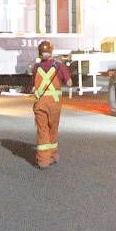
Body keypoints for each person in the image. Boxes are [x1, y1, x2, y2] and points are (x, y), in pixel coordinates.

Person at [32, 40, 72, 168]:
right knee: (53, 129)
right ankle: (53, 155)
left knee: (42, 130)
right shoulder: (59, 66)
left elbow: (34, 85)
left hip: (40, 103)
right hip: (54, 104)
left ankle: (43, 160)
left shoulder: (36, 68)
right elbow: (69, 83)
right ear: (51, 52)